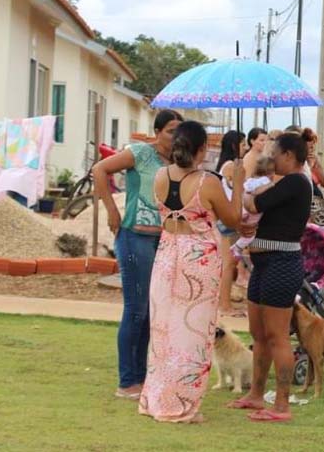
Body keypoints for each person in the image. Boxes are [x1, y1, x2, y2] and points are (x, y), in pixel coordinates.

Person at [138, 120, 245, 423]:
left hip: (167, 257)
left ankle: (157, 397)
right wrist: (237, 184)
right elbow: (234, 218)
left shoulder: (160, 176)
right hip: (197, 262)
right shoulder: (206, 182)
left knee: (163, 332)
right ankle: (181, 404)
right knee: (193, 334)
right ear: (202, 149)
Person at [93, 109, 183, 400]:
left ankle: (141, 379)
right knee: (136, 309)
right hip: (134, 237)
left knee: (150, 312)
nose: (175, 136)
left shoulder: (178, 164)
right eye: (170, 130)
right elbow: (100, 170)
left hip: (163, 241)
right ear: (157, 132)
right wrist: (111, 210)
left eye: (179, 131)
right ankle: (127, 381)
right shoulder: (140, 153)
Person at [229, 130, 314, 424]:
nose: (271, 159)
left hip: (282, 263)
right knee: (259, 333)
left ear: (289, 156)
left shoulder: (296, 183)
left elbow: (253, 205)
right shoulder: (287, 183)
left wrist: (242, 183)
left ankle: (280, 404)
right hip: (264, 263)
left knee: (277, 336)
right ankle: (256, 393)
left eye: (275, 153)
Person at [216, 130, 247, 317]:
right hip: (228, 220)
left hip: (230, 219)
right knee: (228, 265)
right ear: (235, 146)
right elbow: (238, 189)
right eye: (243, 144)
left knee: (230, 264)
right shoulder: (230, 166)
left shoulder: (230, 165)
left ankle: (225, 303)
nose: (245, 148)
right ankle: (224, 305)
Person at [230, 155, 275, 259]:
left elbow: (245, 188)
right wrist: (270, 186)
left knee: (244, 231)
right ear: (270, 172)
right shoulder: (266, 181)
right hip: (252, 214)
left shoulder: (251, 179)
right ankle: (236, 247)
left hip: (243, 209)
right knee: (251, 235)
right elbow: (256, 191)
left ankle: (238, 247)